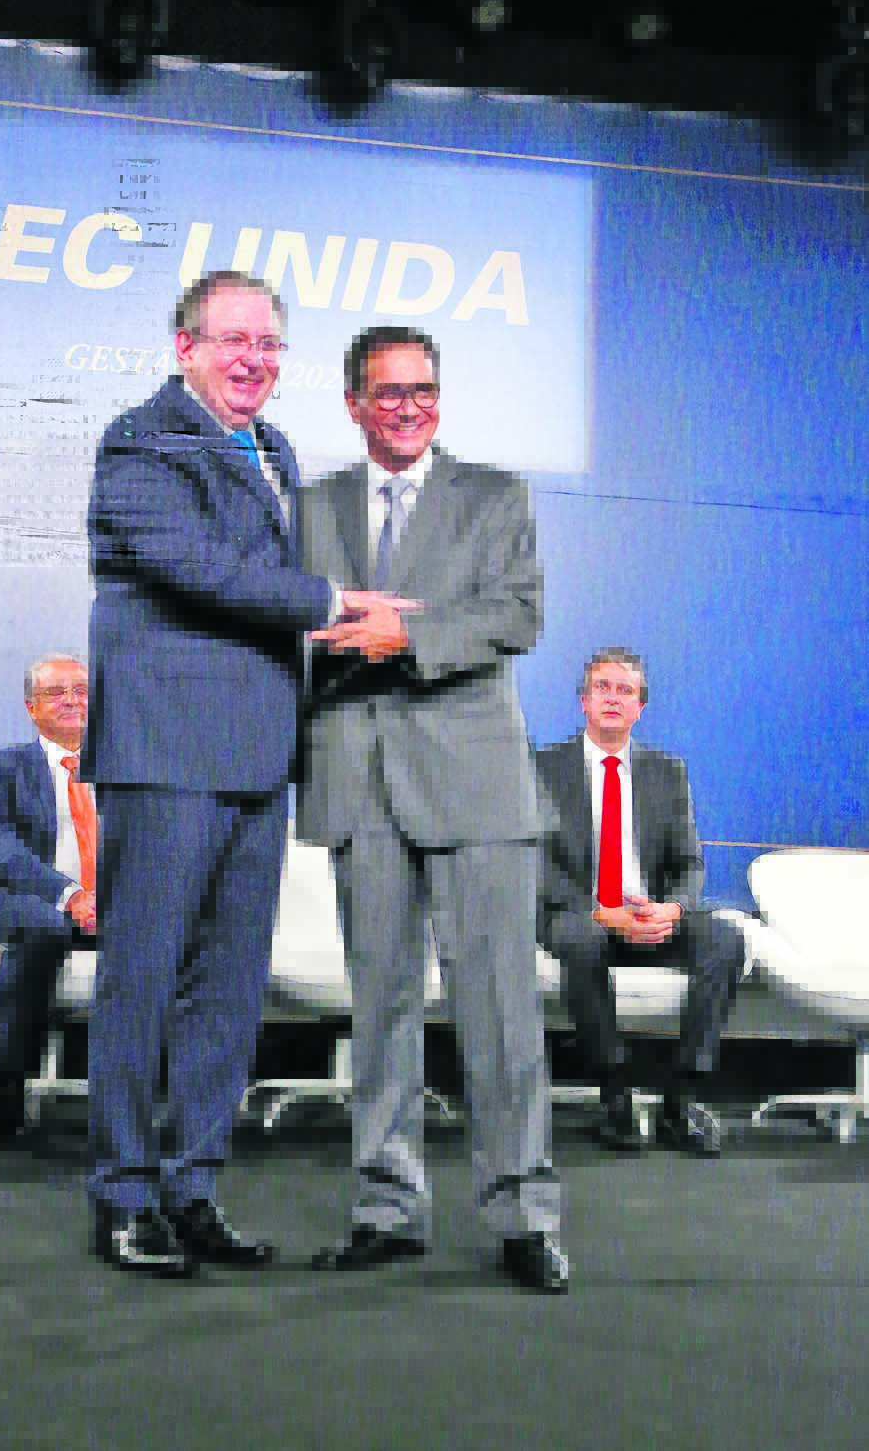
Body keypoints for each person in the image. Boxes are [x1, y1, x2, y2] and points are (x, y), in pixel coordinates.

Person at [85, 269, 407, 1277]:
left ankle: (192, 1188)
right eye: (232, 340)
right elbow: (196, 567)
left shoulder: (272, 447)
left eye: (267, 344)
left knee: (226, 993)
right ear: (184, 346)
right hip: (167, 753)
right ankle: (124, 1195)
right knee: (141, 983)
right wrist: (334, 601)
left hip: (258, 759)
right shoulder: (141, 440)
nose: (252, 360)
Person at [299, 325, 567, 1294]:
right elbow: (286, 618)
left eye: (423, 390)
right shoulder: (309, 503)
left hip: (473, 785)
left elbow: (517, 612)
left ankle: (522, 1212)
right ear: (353, 402)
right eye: (388, 392)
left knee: (499, 1009)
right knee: (380, 1009)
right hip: (358, 782)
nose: (408, 407)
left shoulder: (494, 495)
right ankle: (386, 1207)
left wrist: (402, 634)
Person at [536, 647, 745, 1157]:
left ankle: (682, 1097)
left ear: (639, 708)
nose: (612, 698)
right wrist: (602, 912)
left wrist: (671, 909)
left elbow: (690, 864)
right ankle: (615, 1093)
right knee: (583, 939)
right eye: (602, 688)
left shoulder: (667, 772)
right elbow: (536, 866)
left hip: (650, 916)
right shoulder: (543, 768)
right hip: (580, 916)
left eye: (624, 690)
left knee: (725, 938)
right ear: (584, 701)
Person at [0, 653, 97, 1140]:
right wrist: (70, 895)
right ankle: (7, 1092)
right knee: (43, 929)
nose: (71, 700)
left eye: (80, 690)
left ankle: (153, 1100)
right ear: (31, 707)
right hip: (23, 895)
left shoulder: (124, 769)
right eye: (55, 692)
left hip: (105, 900)